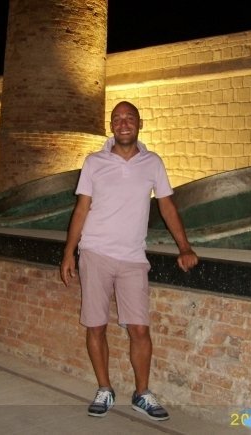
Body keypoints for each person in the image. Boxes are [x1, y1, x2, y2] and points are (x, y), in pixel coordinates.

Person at [60, 101, 198, 421]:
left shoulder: (153, 162)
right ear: (111, 126)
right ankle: (104, 388)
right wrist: (68, 252)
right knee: (96, 325)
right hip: (95, 252)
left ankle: (142, 393)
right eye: (117, 119)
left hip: (133, 257)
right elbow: (81, 209)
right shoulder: (94, 162)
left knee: (139, 329)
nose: (123, 123)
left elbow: (167, 206)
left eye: (129, 118)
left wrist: (184, 247)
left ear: (140, 124)